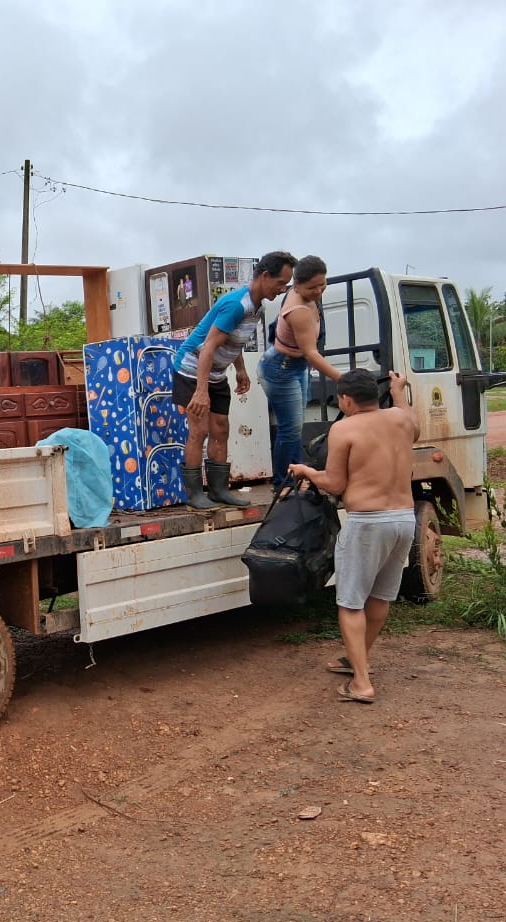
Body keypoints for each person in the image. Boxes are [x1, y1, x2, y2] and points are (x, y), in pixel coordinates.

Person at [288, 369, 420, 704]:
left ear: (346, 400)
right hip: (404, 520)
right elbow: (410, 420)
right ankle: (356, 657)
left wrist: (306, 472)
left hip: (368, 522)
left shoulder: (343, 428)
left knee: (350, 602)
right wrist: (399, 390)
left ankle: (361, 683)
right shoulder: (401, 420)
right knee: (380, 598)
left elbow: (334, 484)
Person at [173, 250, 296, 509]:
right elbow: (208, 347)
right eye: (280, 282)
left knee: (221, 429)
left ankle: (219, 490)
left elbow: (233, 341)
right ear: (264, 276)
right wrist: (201, 391)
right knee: (199, 431)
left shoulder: (257, 307)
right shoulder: (237, 305)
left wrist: (240, 369)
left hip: (215, 373)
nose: (283, 289)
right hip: (192, 370)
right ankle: (195, 495)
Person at [258, 255, 344, 490]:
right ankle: (283, 482)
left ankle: (297, 476)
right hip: (280, 367)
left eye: (322, 285)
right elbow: (312, 354)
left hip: (295, 365)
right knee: (290, 426)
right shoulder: (298, 309)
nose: (318, 291)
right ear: (296, 285)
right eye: (312, 287)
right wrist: (342, 379)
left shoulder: (311, 298)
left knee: (297, 424)